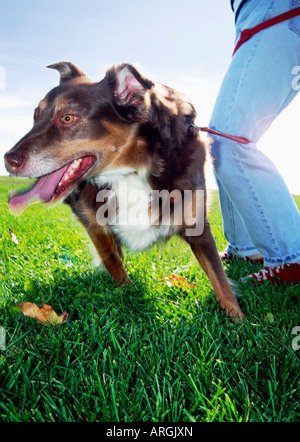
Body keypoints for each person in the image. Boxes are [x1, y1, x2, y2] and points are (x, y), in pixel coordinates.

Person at [209, 0, 300, 283]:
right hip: (252, 14)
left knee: (230, 137)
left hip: (276, 7)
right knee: (219, 140)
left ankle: (292, 257)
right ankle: (245, 248)